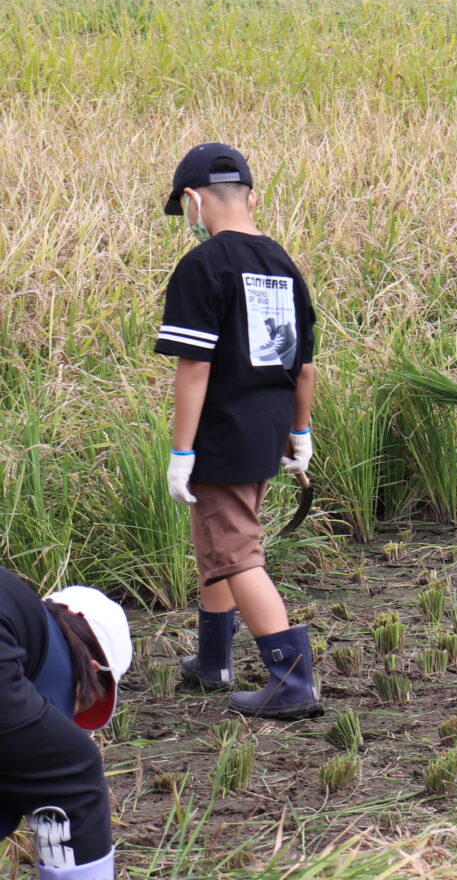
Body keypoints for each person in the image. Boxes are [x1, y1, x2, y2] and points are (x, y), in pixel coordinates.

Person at [156, 143, 321, 720]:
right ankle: (213, 661)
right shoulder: (281, 263)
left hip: (224, 430)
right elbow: (303, 365)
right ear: (252, 197)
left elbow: (194, 365)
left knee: (236, 550)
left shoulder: (204, 266)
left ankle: (290, 680)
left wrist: (182, 450)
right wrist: (299, 433)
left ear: (193, 201)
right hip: (269, 424)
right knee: (219, 545)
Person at [0, 571, 132, 880]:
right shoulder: (52, 659)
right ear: (92, 669)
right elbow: (60, 779)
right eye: (85, 704)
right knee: (72, 771)